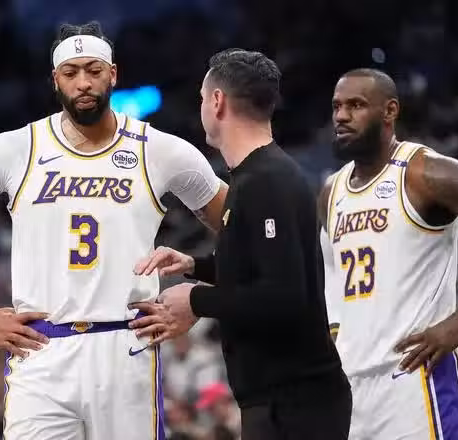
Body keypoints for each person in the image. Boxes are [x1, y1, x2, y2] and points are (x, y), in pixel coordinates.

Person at [0, 21, 227, 440]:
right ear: (55, 80)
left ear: (113, 74)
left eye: (94, 70)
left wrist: (200, 300)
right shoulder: (14, 149)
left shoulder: (160, 150)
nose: (83, 83)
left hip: (125, 343)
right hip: (41, 349)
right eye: (71, 72)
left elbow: (245, 227)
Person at [131, 49, 351, 439]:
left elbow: (282, 297)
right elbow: (262, 269)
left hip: (296, 402)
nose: (201, 106)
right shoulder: (256, 177)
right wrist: (196, 266)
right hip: (281, 399)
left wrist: (196, 300)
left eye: (202, 97)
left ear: (217, 102)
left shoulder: (268, 181)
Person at [318, 68, 458, 439]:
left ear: (390, 111)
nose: (342, 116)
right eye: (337, 106)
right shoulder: (330, 192)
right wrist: (336, 335)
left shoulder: (429, 173)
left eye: (356, 105)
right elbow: (331, 274)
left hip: (420, 379)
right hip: (354, 389)